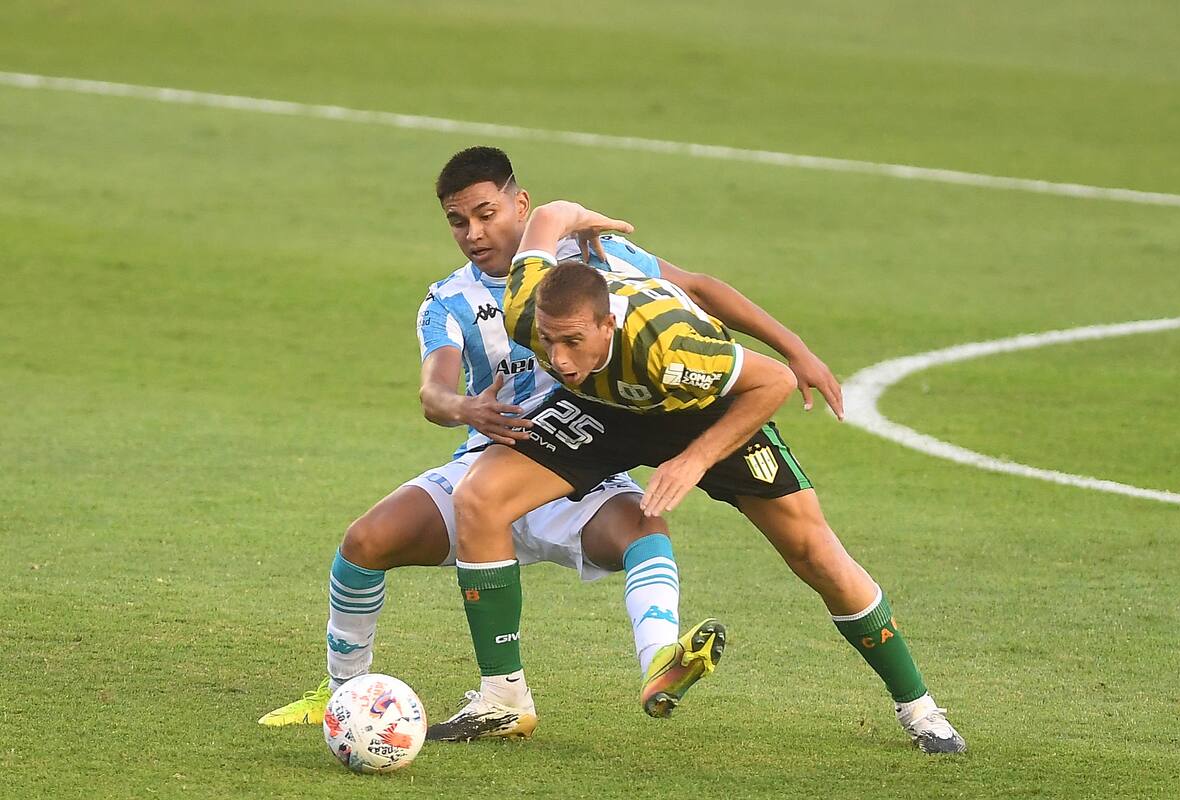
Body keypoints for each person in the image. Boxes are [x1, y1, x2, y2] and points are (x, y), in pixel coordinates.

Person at [259, 147, 839, 738]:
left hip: (583, 460)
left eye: (485, 215)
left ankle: (660, 660)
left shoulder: (590, 263)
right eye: (458, 222)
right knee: (363, 542)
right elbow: (433, 392)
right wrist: (466, 406)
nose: (473, 233)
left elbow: (698, 289)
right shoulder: (449, 299)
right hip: (490, 465)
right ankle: (345, 696)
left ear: (520, 204)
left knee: (643, 529)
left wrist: (794, 349)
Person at [435, 200, 967, 754]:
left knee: (813, 552)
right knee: (481, 495)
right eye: (550, 342)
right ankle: (503, 698)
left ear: (607, 322)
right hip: (603, 407)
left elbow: (772, 383)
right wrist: (585, 217)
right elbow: (546, 214)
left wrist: (694, 458)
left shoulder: (671, 348)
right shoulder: (529, 312)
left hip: (703, 411)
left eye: (574, 341)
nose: (560, 358)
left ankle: (921, 709)